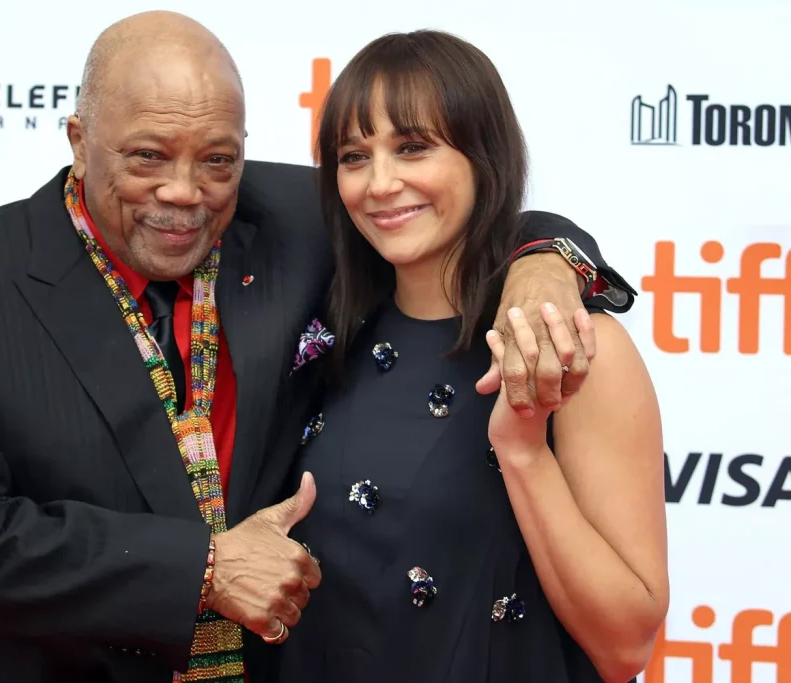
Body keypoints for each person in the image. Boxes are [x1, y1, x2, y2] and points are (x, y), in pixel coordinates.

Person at [0, 12, 638, 683]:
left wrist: (548, 261)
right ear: (79, 140)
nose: (184, 191)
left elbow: (462, 208)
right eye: (146, 157)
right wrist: (199, 569)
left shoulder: (302, 219)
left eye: (217, 159)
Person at [276, 30, 668, 683]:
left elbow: (625, 645)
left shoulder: (568, 348)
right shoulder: (323, 334)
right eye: (353, 155)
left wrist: (523, 453)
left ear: (483, 154)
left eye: (412, 147)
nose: (380, 183)